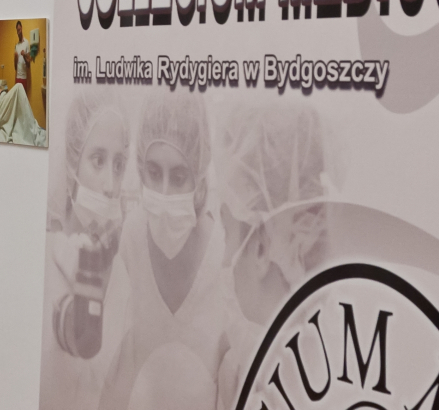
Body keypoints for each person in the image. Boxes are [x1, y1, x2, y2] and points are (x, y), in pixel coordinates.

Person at [100, 91, 223, 410]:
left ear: (199, 174)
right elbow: (117, 368)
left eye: (179, 177)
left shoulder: (223, 256)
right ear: (140, 167)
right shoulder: (133, 236)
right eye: (153, 174)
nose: (163, 193)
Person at [213, 102, 334, 410]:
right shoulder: (316, 366)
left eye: (226, 233)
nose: (223, 261)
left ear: (261, 248)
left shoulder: (268, 392)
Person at [41, 90, 132, 410]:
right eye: (98, 160)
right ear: (72, 164)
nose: (110, 184)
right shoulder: (41, 262)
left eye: (118, 165)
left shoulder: (121, 280)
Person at [14, 20, 31, 95]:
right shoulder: (16, 46)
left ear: (22, 28)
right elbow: (15, 67)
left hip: (24, 77)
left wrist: (24, 55)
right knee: (17, 98)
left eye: (19, 30)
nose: (19, 32)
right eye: (17, 31)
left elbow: (28, 64)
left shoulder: (26, 43)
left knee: (23, 99)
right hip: (17, 77)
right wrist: (15, 59)